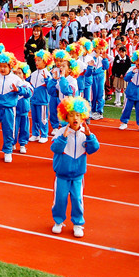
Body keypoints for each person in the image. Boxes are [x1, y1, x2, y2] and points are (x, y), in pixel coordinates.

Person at [50, 97, 100, 238]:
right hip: (62, 175)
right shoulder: (61, 133)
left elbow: (94, 148)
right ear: (66, 116)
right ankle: (58, 221)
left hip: (78, 176)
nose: (75, 118)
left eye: (78, 115)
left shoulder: (86, 133)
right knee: (60, 199)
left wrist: (90, 137)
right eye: (71, 115)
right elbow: (55, 148)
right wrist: (63, 137)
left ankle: (78, 224)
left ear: (83, 116)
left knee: (77, 200)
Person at [119, 50, 139, 132]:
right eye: (137, 61)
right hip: (131, 93)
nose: (138, 63)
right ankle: (124, 122)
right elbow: (126, 79)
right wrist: (132, 73)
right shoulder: (131, 68)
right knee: (127, 108)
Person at [28, 50, 52, 143]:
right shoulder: (33, 74)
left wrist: (47, 80)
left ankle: (44, 134)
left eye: (39, 60)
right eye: (36, 60)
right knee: (34, 118)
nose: (36, 62)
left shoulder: (48, 74)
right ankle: (35, 134)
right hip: (33, 100)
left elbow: (50, 87)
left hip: (42, 101)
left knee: (42, 118)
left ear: (45, 62)